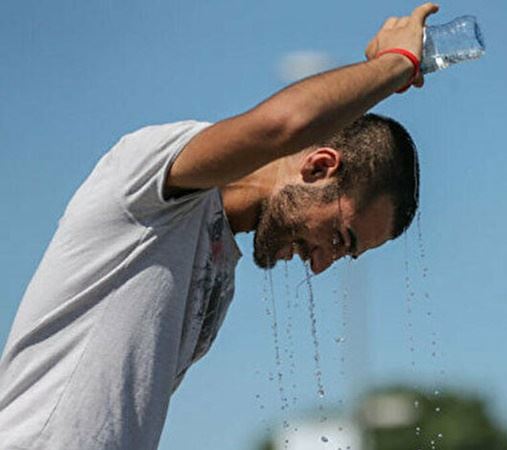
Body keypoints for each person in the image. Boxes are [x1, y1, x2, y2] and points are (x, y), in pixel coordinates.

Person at [0, 3, 439, 449]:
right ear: (319, 166)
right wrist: (396, 65)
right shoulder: (150, 180)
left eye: (345, 253)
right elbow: (281, 125)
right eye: (338, 237)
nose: (322, 264)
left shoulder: (219, 273)